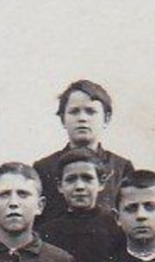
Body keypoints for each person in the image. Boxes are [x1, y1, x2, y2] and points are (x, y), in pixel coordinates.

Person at [33, 79, 134, 226]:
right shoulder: (44, 168)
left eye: (91, 111)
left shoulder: (121, 168)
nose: (82, 118)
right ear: (62, 119)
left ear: (106, 118)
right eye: (74, 112)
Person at [41, 147, 125, 262]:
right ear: (60, 186)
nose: (79, 186)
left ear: (101, 183)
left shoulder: (116, 227)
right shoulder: (47, 232)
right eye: (71, 179)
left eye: (87, 178)